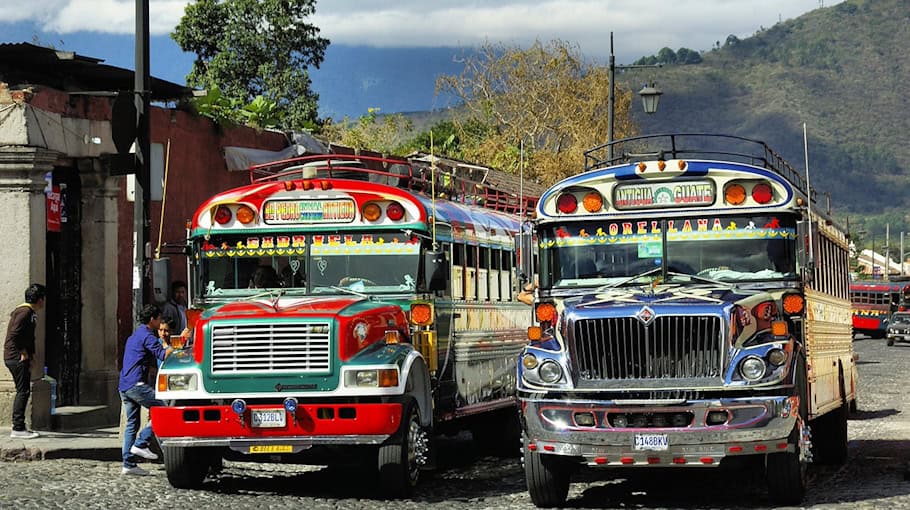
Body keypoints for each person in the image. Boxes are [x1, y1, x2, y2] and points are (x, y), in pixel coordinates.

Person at [119, 304, 174, 476]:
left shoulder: (135, 335)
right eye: (158, 319)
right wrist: (179, 347)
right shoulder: (148, 336)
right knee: (163, 410)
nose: (160, 322)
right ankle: (141, 443)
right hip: (137, 384)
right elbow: (163, 355)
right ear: (153, 319)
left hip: (124, 385)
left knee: (132, 423)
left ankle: (128, 464)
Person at [3, 284, 46, 439]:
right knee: (23, 391)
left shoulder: (30, 312)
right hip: (15, 357)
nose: (44, 302)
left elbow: (29, 337)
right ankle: (18, 427)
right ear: (39, 299)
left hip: (19, 356)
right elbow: (15, 334)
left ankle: (20, 426)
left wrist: (32, 355)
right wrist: (22, 352)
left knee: (23, 390)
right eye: (43, 299)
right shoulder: (25, 312)